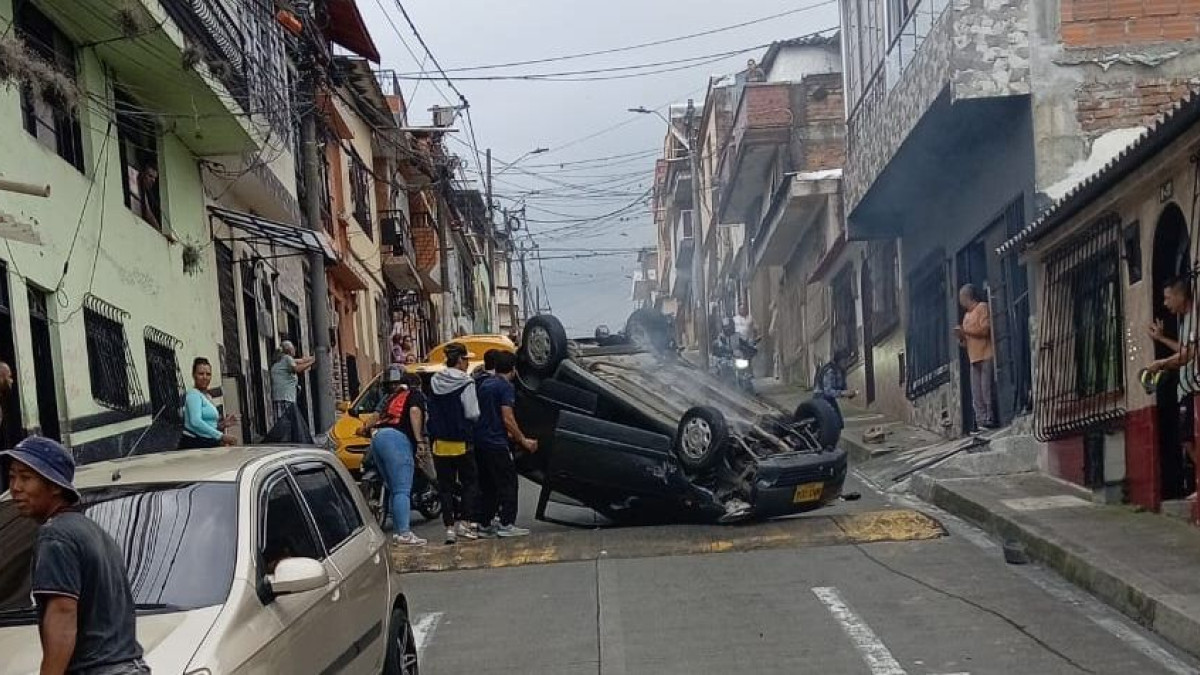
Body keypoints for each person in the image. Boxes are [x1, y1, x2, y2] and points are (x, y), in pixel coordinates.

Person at [3, 437, 148, 674]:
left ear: (55, 486)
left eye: (26, 478)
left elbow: (62, 614)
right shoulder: (91, 530)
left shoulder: (55, 536)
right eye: (12, 476)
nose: (15, 487)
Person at [359, 366, 427, 546]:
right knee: (402, 490)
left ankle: (398, 531)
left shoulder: (391, 397)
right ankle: (404, 533)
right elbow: (414, 413)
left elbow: (376, 416)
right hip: (397, 440)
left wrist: (364, 429)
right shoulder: (415, 395)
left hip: (378, 438)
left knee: (391, 487)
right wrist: (419, 441)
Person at [474, 351, 537, 538]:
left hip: (481, 441)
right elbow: (507, 417)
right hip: (496, 442)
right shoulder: (505, 387)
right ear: (514, 370)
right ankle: (506, 523)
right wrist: (523, 440)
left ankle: (484, 523)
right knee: (509, 483)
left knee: (488, 485)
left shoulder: (484, 385)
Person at [427, 343, 482, 545]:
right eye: (466, 359)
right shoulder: (466, 382)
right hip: (461, 441)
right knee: (470, 482)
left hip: (439, 442)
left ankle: (449, 527)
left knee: (446, 487)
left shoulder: (434, 381)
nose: (467, 363)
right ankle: (465, 522)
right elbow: (472, 412)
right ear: (459, 360)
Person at [1148, 277, 1197, 490]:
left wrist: (1161, 363)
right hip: (1186, 388)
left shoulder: (1195, 317)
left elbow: (1189, 354)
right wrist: (1161, 339)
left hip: (1193, 388)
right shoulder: (1185, 320)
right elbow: (1183, 349)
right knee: (1187, 440)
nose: (1166, 303)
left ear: (1180, 295)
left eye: (1168, 298)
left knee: (1188, 440)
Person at [955, 284, 997, 431]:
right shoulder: (966, 316)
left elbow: (985, 330)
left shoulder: (982, 308)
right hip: (973, 357)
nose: (961, 302)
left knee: (986, 389)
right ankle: (980, 421)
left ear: (967, 297)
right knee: (977, 393)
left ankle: (989, 418)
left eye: (961, 298)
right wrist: (961, 336)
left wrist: (966, 330)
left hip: (985, 354)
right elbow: (966, 342)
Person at [180, 357, 236, 449]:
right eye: (201, 374)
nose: (205, 377)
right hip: (196, 446)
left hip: (208, 444)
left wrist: (222, 424)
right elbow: (195, 422)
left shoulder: (207, 396)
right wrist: (221, 436)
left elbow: (207, 424)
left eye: (208, 374)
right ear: (194, 375)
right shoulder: (193, 395)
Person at [266, 341, 315, 444]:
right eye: (293, 348)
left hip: (280, 396)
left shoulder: (281, 359)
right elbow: (297, 369)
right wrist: (312, 362)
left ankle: (285, 441)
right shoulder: (287, 359)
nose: (295, 350)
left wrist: (313, 357)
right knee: (286, 422)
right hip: (286, 397)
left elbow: (301, 360)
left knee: (283, 421)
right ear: (289, 350)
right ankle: (284, 442)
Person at [814, 348, 858, 431]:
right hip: (820, 398)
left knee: (839, 423)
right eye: (845, 361)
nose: (847, 363)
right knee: (827, 423)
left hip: (830, 399)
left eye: (847, 361)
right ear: (839, 361)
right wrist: (843, 393)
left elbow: (843, 387)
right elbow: (828, 391)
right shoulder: (830, 371)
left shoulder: (841, 371)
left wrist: (850, 393)